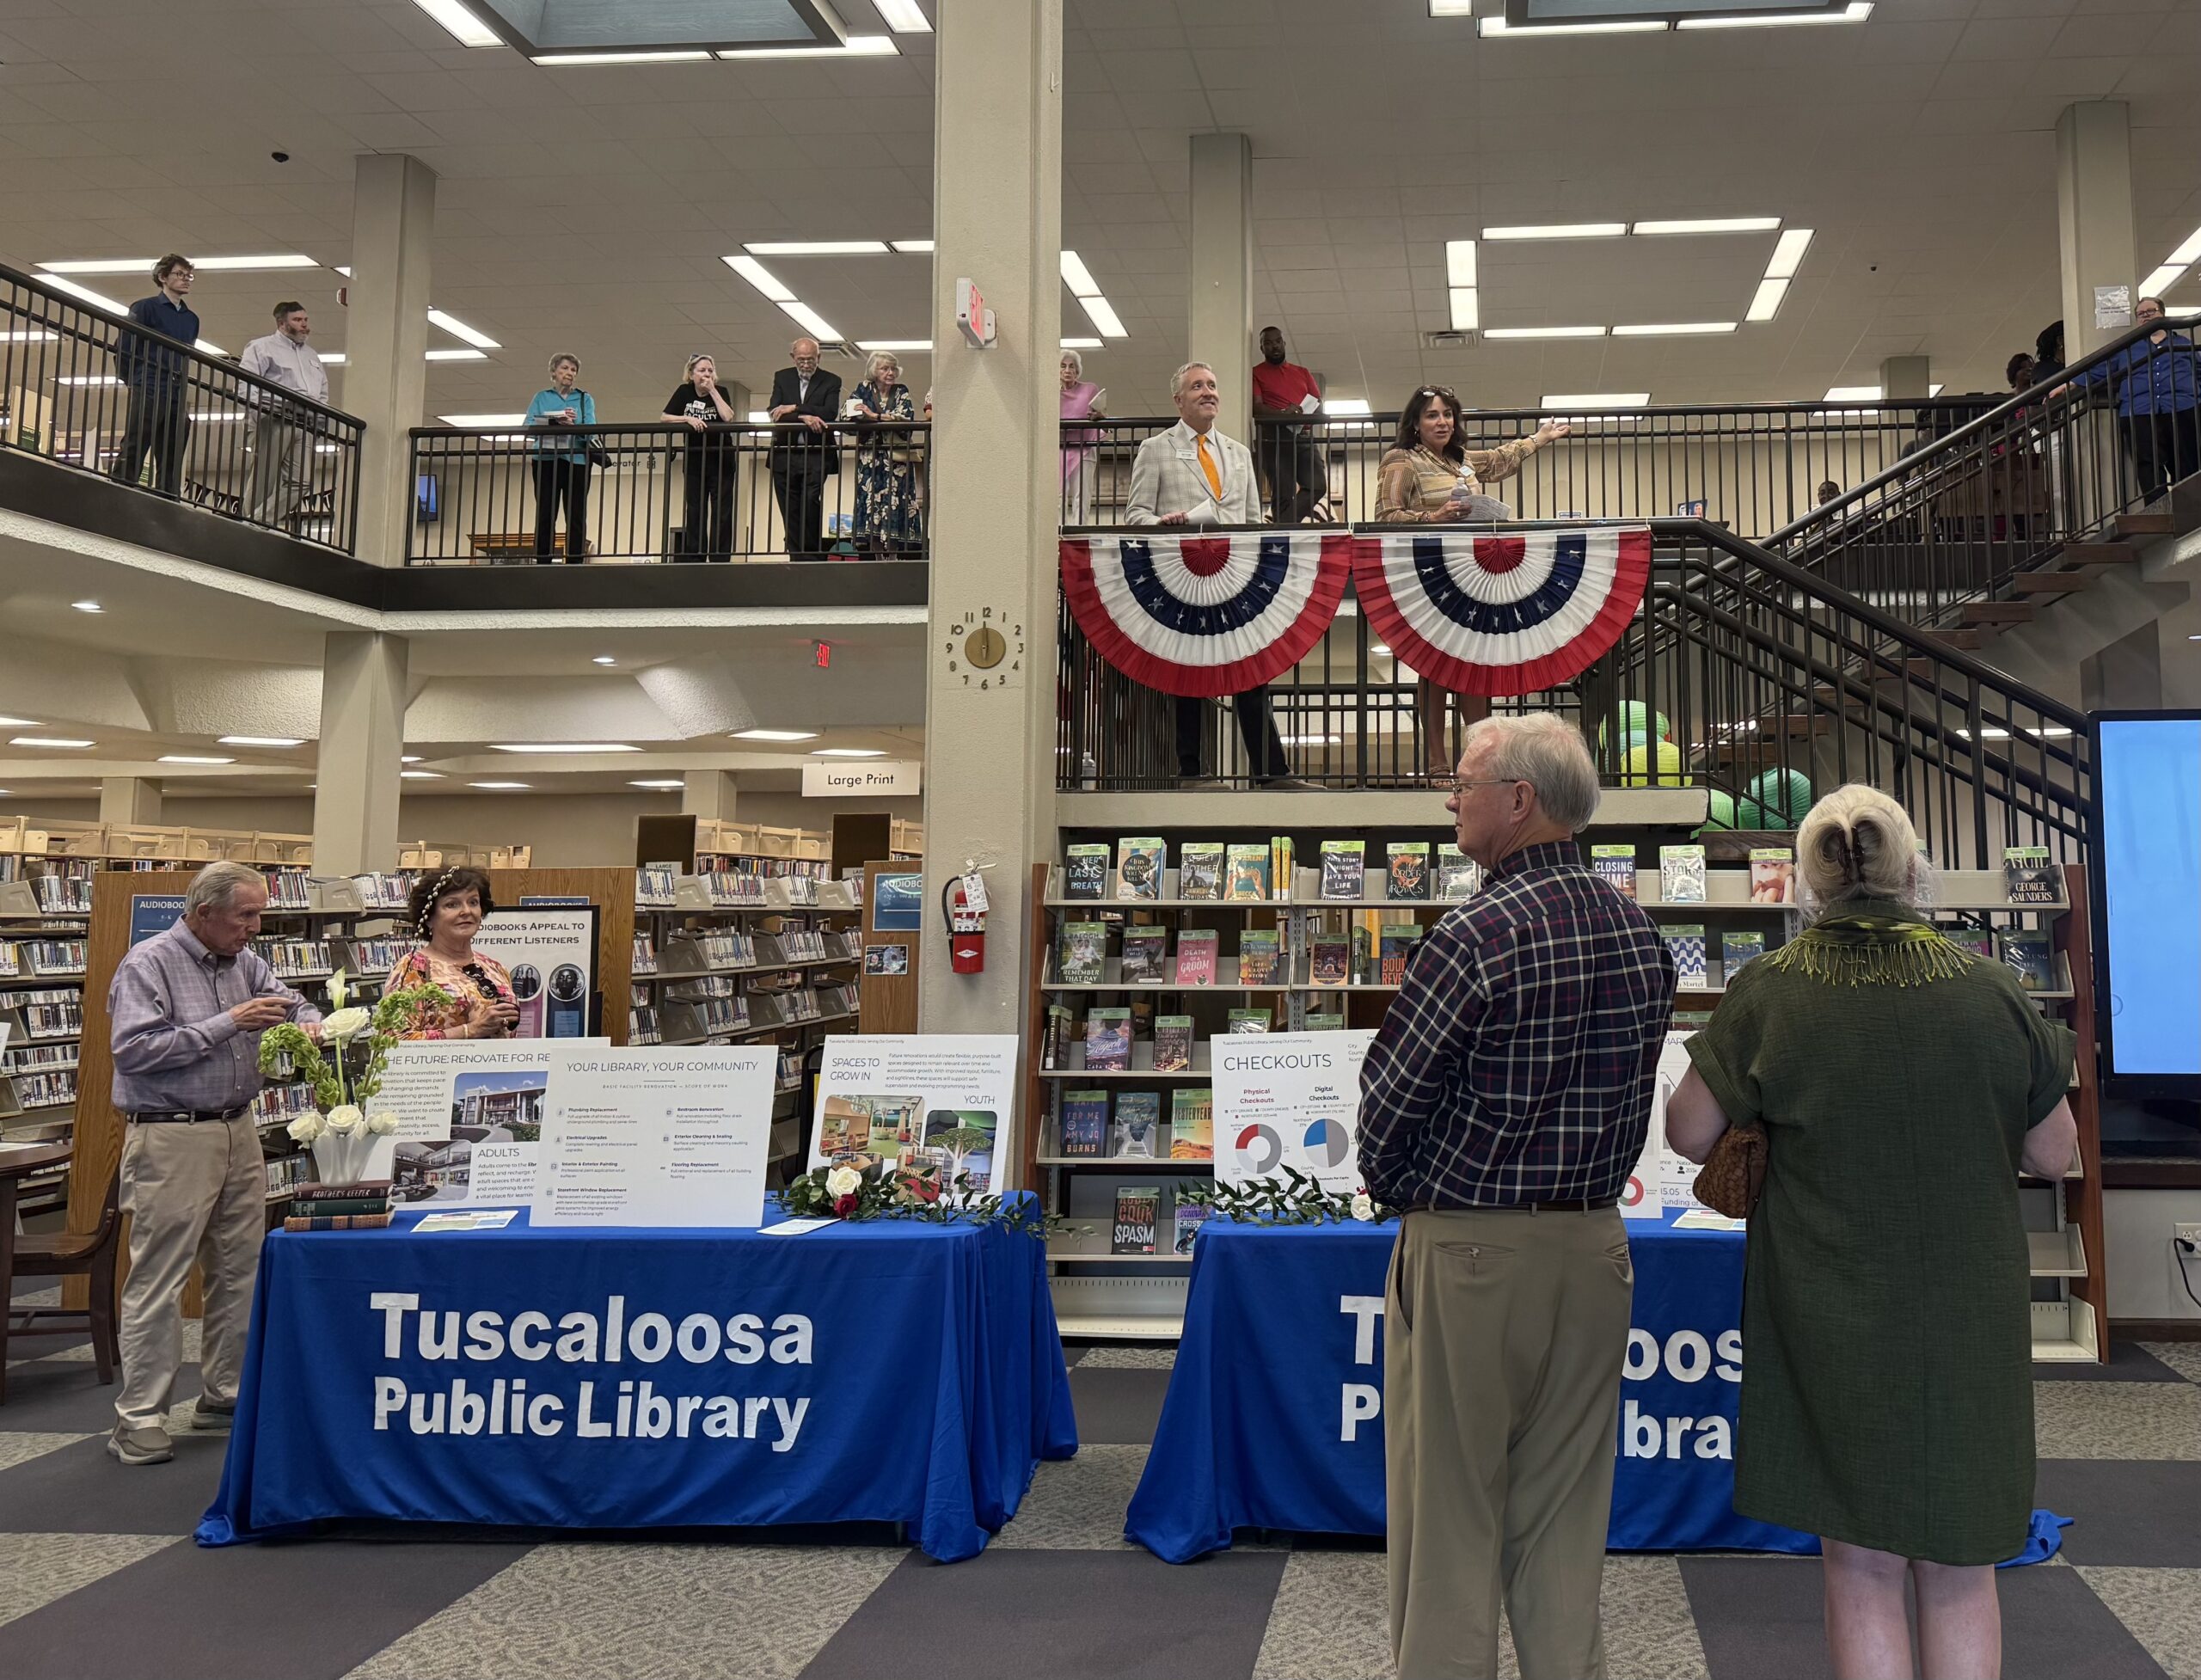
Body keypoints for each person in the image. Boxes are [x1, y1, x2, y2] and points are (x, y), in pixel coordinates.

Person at [1665, 786, 2077, 1680]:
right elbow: (2055, 1155)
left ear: (1807, 879)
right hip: (1966, 1314)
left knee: (1858, 1563)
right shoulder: (1993, 989)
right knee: (1962, 1565)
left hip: (1829, 1308)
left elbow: (1688, 1133)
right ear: (1912, 867)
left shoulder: (1768, 990)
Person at [1359, 714, 1674, 1680]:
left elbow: (1390, 1100)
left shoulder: (1473, 933)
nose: (1451, 802)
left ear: (1520, 801)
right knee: (1567, 1517)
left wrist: (1406, 1195)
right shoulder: (1640, 932)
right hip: (1595, 1246)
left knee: (1447, 1513)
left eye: (1463, 784)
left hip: (1469, 1250)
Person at [105, 861, 322, 1466]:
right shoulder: (148, 963)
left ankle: (224, 1394)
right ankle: (139, 1417)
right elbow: (133, 1050)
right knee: (161, 1276)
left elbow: (293, 1003)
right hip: (172, 1135)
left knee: (238, 1268)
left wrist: (312, 1023)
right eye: (245, 915)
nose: (255, 927)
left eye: (259, 915)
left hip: (238, 1129)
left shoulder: (245, 963)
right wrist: (228, 1024)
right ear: (204, 912)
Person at [1373, 384, 1571, 777]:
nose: (1442, 422)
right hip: (1429, 573)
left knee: (1474, 661)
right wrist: (1433, 517)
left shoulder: (1460, 458)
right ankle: (1437, 762)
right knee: (1434, 664)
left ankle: (1476, 761)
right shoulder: (1402, 458)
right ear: (1415, 423)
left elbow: (1498, 461)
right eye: (1432, 415)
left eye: (1447, 414)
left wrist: (1541, 438)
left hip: (1471, 573)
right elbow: (1386, 516)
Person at [1125, 360, 1297, 788]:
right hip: (1182, 579)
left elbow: (1253, 522)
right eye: (1197, 386)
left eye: (1212, 385)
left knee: (1250, 669)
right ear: (1178, 400)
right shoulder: (1156, 449)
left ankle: (1270, 773)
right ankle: (1192, 770)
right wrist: (1162, 523)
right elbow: (1135, 516)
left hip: (1235, 577)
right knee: (1189, 670)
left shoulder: (1239, 453)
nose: (1208, 392)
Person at [2050, 296, 2199, 503]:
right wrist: (2068, 384)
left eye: (2151, 311)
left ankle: (2192, 509)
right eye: (2141, 314)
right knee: (2148, 466)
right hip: (2140, 411)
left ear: (2162, 314)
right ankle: (2159, 510)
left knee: (2187, 464)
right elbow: (2099, 369)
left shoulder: (2184, 344)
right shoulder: (2128, 348)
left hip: (2182, 408)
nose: (2146, 317)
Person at [385, 867, 520, 1040]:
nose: (466, 911)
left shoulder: (495, 968)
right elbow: (394, 1041)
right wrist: (471, 1030)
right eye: (452, 905)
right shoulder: (413, 969)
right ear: (429, 918)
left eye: (473, 902)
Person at [111, 254, 199, 498]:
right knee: (138, 440)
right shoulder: (145, 308)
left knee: (173, 449)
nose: (186, 279)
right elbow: (125, 347)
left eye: (189, 275)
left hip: (176, 388)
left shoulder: (191, 319)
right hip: (149, 383)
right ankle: (120, 491)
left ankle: (168, 498)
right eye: (179, 274)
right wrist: (134, 380)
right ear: (163, 277)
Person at [238, 300, 328, 529]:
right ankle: (251, 525)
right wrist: (260, 415)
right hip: (274, 418)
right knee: (264, 477)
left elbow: (322, 392)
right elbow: (246, 385)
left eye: (305, 319)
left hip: (305, 423)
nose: (304, 325)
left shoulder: (312, 355)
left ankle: (257, 521)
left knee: (301, 482)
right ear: (281, 323)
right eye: (297, 320)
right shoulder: (261, 347)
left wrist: (319, 423)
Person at [767, 337, 842, 561]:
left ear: (819, 357)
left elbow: (829, 412)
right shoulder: (782, 377)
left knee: (810, 501)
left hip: (816, 453)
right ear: (793, 358)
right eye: (801, 359)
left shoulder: (831, 380)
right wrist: (804, 417)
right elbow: (775, 412)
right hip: (785, 453)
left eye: (811, 359)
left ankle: (812, 554)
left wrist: (794, 407)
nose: (806, 364)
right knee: (789, 507)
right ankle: (796, 556)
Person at [661, 354, 740, 561]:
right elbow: (665, 417)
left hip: (721, 459)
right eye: (702, 370)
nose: (706, 374)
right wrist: (687, 418)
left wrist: (712, 390)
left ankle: (720, 557)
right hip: (695, 460)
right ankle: (695, 556)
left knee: (722, 510)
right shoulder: (684, 392)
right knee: (695, 509)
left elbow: (728, 416)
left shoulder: (721, 391)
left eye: (710, 370)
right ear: (691, 374)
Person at [1251, 324, 1326, 524]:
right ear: (1262, 348)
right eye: (1268, 343)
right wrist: (1284, 414)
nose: (1274, 346)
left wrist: (1304, 414)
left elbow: (1317, 403)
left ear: (1284, 343)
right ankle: (1283, 531)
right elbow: (1257, 407)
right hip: (1275, 437)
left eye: (1278, 341)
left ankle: (1281, 527)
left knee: (1317, 485)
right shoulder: (1256, 373)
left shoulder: (1302, 372)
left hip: (1302, 435)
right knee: (1283, 492)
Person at [851, 350, 923, 557]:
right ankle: (875, 558)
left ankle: (892, 557)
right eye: (885, 368)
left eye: (893, 369)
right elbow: (848, 415)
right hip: (870, 460)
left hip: (896, 461)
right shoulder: (862, 389)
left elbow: (905, 417)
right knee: (871, 503)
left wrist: (873, 416)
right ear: (874, 371)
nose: (890, 373)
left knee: (895, 503)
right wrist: (882, 418)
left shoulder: (901, 391)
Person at [525, 353, 596, 563]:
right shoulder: (541, 397)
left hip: (577, 461)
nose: (569, 373)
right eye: (565, 368)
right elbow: (528, 427)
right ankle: (543, 560)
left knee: (576, 514)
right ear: (554, 372)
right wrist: (556, 421)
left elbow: (592, 432)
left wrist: (573, 426)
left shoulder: (584, 399)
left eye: (573, 370)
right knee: (546, 512)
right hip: (546, 460)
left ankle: (575, 561)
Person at [1058, 349, 1107, 522]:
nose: (1067, 370)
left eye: (1072, 366)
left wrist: (1100, 416)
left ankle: (1079, 533)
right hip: (1059, 449)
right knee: (1058, 498)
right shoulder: (1050, 393)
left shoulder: (1089, 389)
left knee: (1082, 497)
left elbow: (1099, 414)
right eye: (1063, 366)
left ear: (1077, 371)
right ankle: (1056, 533)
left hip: (1084, 448)